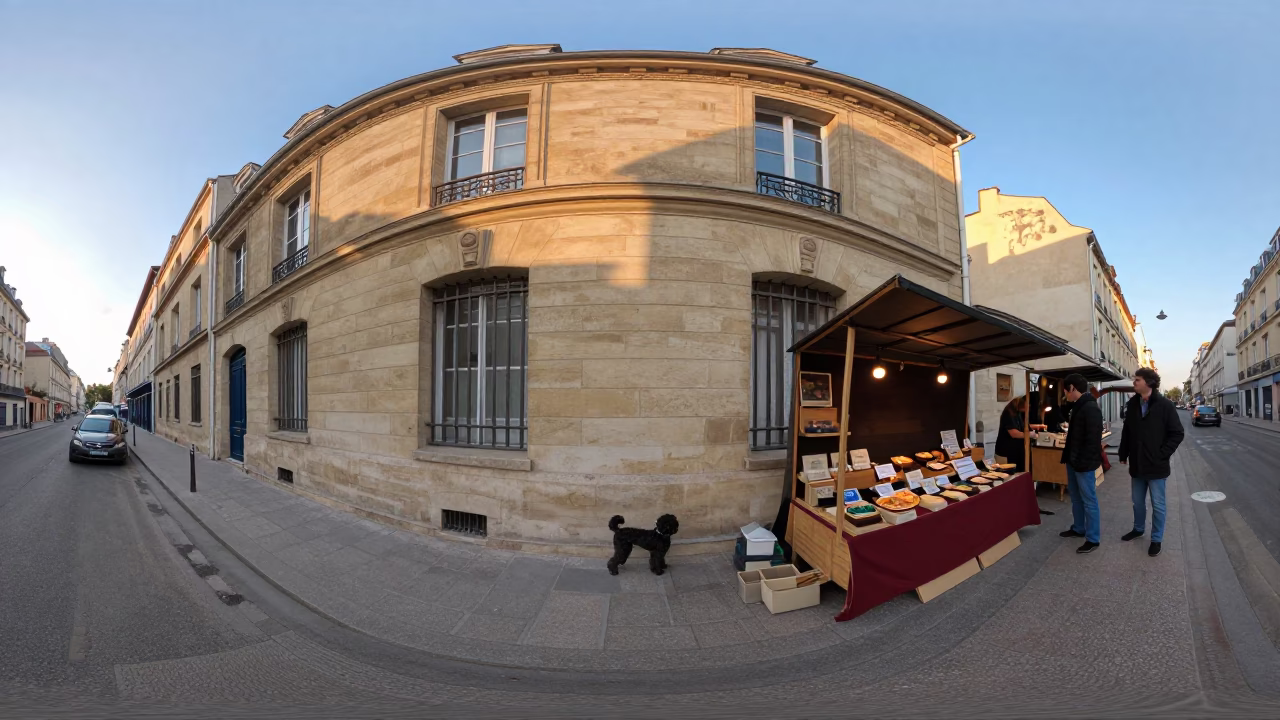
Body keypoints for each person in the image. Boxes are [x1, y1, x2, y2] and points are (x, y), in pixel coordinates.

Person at [1118, 367, 1184, 557]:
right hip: (1137, 464)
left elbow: (1177, 433)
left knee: (1158, 505)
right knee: (1137, 502)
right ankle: (1138, 529)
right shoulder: (1132, 404)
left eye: (1137, 379)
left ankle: (1156, 539)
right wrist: (1123, 453)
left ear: (1148, 382)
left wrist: (1162, 454)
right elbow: (1127, 432)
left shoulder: (1165, 405)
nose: (1134, 382)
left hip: (1156, 466)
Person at [1058, 374, 1104, 553]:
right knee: (1076, 497)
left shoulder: (1090, 407)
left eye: (1066, 390)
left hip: (1083, 463)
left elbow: (1093, 439)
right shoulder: (1078, 405)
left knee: (1089, 500)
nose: (1065, 394)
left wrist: (1083, 461)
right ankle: (1079, 528)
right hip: (1073, 460)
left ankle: (1093, 538)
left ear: (1072, 388)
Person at [994, 395, 1046, 472]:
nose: (1029, 409)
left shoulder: (1017, 412)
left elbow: (1024, 426)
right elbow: (1014, 433)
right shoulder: (1008, 413)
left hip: (1016, 450)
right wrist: (1030, 435)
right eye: (1029, 406)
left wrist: (1038, 426)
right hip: (1007, 452)